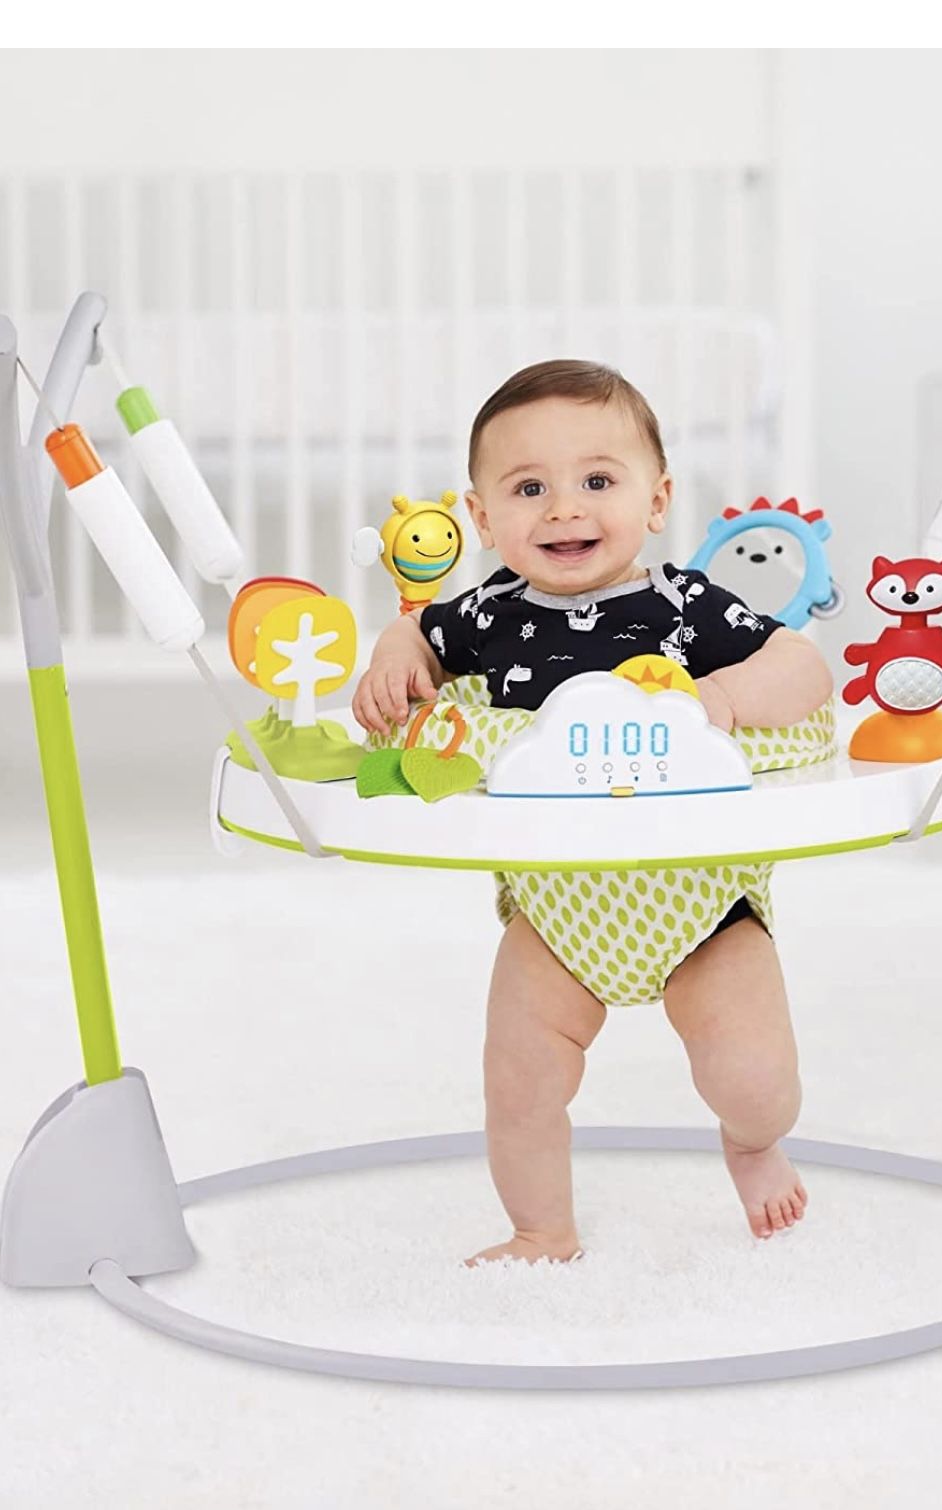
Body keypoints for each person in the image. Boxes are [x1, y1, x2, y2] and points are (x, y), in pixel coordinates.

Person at [352, 361, 834, 1265]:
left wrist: (723, 698)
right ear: (482, 517)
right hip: (556, 908)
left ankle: (753, 1142)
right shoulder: (486, 614)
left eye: (598, 481)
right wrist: (394, 657)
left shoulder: (684, 606)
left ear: (657, 501)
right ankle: (542, 1229)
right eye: (529, 488)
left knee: (753, 1076)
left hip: (701, 903)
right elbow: (416, 631)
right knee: (517, 1081)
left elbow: (803, 667)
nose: (564, 509)